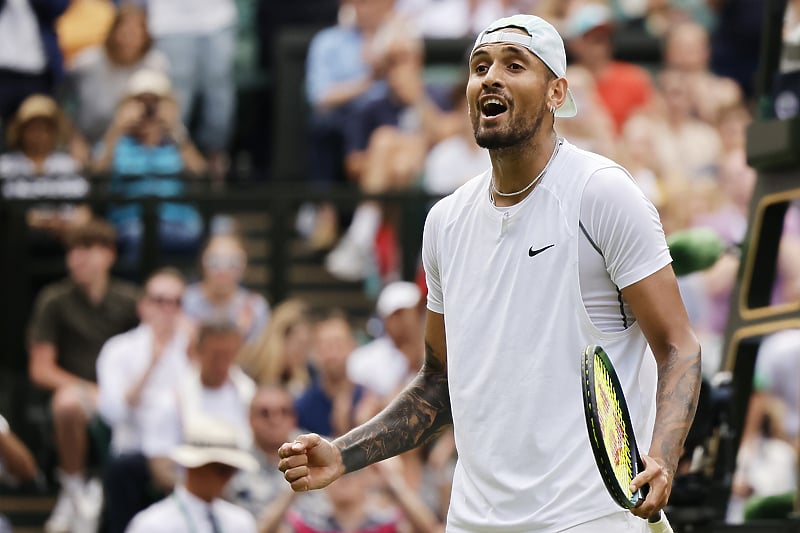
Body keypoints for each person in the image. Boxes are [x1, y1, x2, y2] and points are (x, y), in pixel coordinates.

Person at [278, 14, 701, 533]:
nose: (490, 77)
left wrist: (661, 454)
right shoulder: (444, 222)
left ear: (556, 92)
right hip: (473, 522)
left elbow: (679, 346)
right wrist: (343, 455)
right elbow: (438, 384)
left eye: (513, 65)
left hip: (589, 519)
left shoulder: (602, 193)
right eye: (480, 67)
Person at [26, 218, 139, 533]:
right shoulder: (54, 299)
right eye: (73, 250)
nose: (77, 257)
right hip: (79, 396)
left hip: (126, 398)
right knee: (67, 403)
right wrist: (89, 390)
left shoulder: (131, 300)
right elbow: (41, 368)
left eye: (87, 248)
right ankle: (73, 492)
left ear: (109, 255)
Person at [96, 267, 192, 533]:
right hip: (133, 454)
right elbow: (111, 413)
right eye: (160, 300)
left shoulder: (193, 350)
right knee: (121, 470)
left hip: (184, 455)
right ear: (143, 305)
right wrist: (152, 362)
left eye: (176, 302)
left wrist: (194, 354)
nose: (168, 309)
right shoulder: (118, 349)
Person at [126, 415, 259, 533]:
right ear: (194, 467)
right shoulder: (153, 525)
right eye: (221, 469)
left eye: (232, 469)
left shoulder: (241, 522)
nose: (228, 477)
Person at [66, 3, 169, 147]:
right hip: (89, 136)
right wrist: (75, 139)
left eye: (136, 33)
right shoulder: (86, 63)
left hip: (137, 141)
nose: (129, 39)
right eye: (125, 32)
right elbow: (67, 105)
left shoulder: (156, 64)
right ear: (113, 32)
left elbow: (165, 109)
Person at [183, 233, 271, 343]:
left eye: (233, 262)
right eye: (214, 261)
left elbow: (262, 356)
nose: (222, 270)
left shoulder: (256, 308)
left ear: (244, 266)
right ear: (202, 262)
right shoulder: (182, 301)